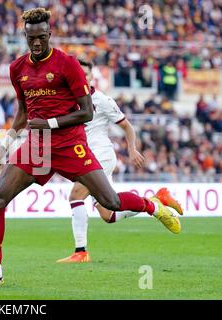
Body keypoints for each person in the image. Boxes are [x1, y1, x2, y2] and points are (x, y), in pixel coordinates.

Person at [0, 8, 183, 264]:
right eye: (31, 38)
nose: (36, 43)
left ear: (49, 34)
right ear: (24, 35)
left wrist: (49, 123)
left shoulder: (68, 64)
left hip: (70, 145)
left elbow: (87, 112)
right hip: (37, 148)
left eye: (41, 37)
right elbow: (23, 112)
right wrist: (5, 145)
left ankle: (152, 206)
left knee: (109, 202)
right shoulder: (17, 68)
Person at [57, 60, 183, 263]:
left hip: (100, 155)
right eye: (79, 73)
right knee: (109, 214)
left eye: (86, 74)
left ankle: (81, 252)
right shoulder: (66, 99)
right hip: (84, 157)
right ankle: (155, 201)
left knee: (76, 195)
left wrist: (132, 148)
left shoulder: (102, 100)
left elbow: (127, 126)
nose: (82, 77)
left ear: (90, 77)